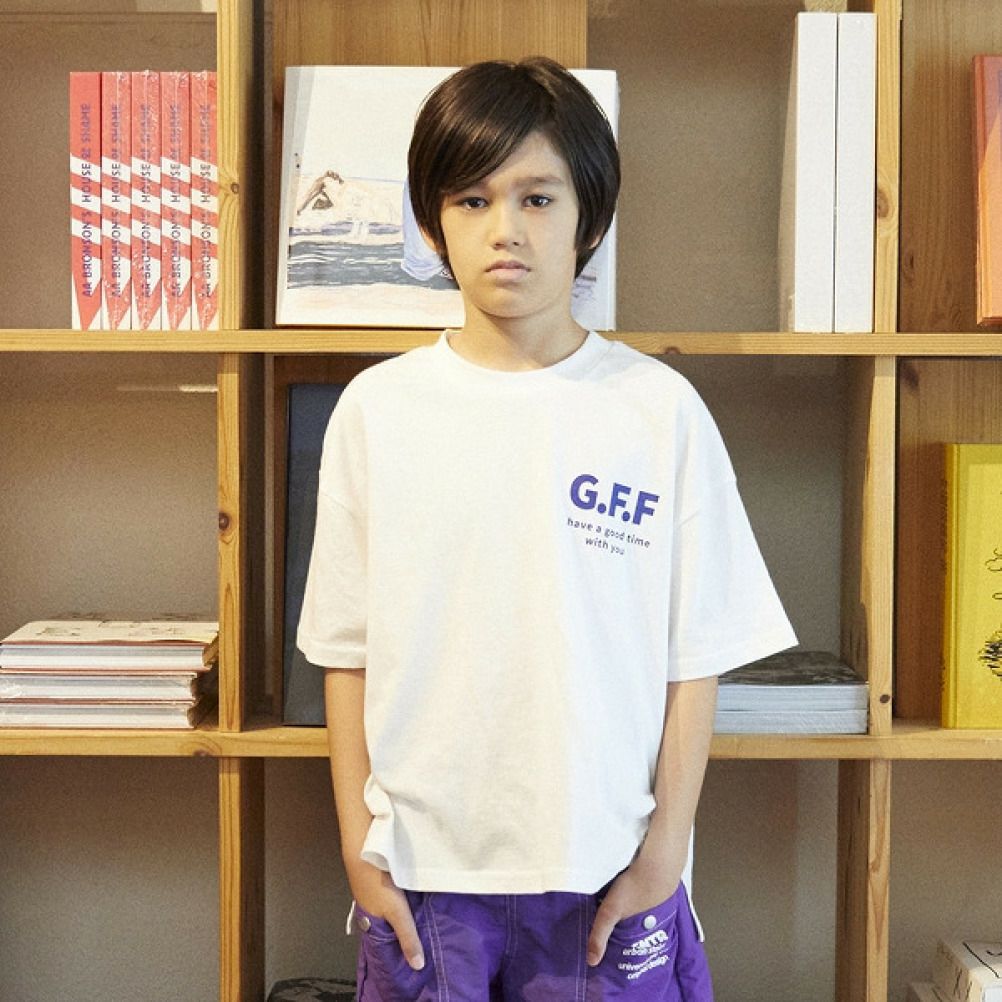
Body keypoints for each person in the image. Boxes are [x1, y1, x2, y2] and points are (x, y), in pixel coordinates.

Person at [297, 56, 796, 1001]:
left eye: (537, 198)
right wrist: (361, 855)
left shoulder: (658, 409)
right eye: (472, 200)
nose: (506, 230)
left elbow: (696, 659)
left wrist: (664, 852)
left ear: (588, 217)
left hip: (608, 866)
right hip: (425, 873)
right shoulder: (377, 410)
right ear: (433, 222)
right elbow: (345, 652)